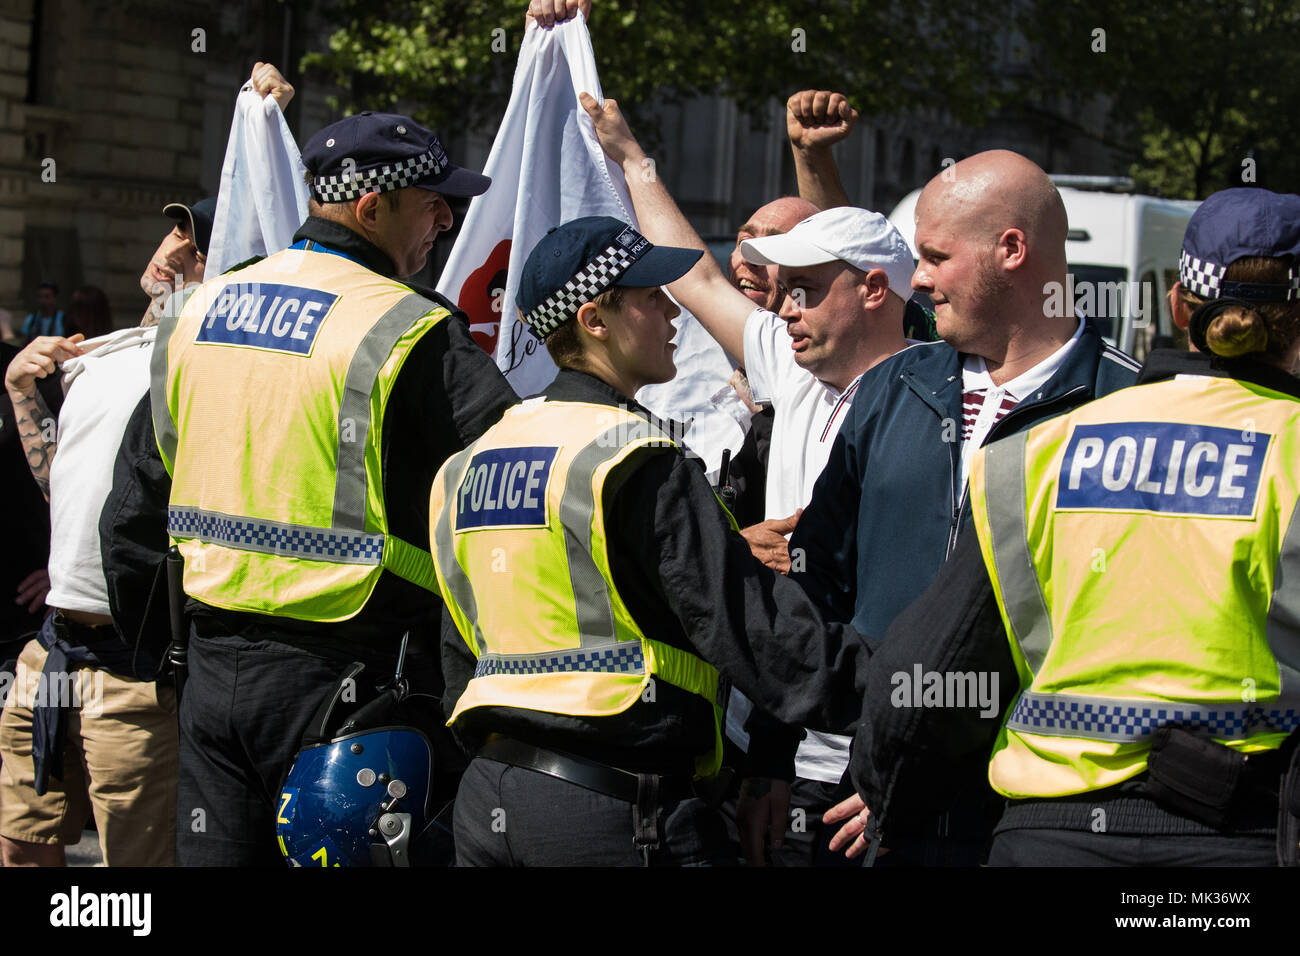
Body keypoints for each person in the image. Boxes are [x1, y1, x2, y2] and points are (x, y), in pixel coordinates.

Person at [831, 186, 1300, 867]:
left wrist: (891, 792)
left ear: (1177, 304)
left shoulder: (1036, 453)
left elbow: (931, 667)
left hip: (1046, 841)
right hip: (1236, 844)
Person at [129, 110, 517, 867]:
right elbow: (514, 489)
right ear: (371, 208)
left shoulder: (200, 309)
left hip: (211, 682)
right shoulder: (409, 327)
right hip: (359, 687)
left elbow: (135, 511)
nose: (446, 218)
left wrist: (165, 667)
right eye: (432, 200)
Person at [433, 216, 869, 866]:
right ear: (595, 320)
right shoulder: (635, 457)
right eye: (649, 298)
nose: (672, 316)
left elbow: (458, 656)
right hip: (614, 811)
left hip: (489, 802)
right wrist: (905, 693)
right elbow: (759, 637)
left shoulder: (470, 462)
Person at [584, 91, 923, 865]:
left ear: (873, 292)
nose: (782, 308)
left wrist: (901, 762)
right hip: (777, 752)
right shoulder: (792, 364)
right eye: (782, 287)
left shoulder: (939, 403)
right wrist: (633, 159)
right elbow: (696, 280)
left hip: (882, 763)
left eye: (805, 289)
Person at [788, 149, 1142, 865]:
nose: (916, 279)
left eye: (935, 256)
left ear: (1012, 250)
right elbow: (817, 581)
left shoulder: (1127, 406)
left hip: (1039, 819)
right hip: (862, 811)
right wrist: (776, 759)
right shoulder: (892, 388)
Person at [0, 196, 212, 867]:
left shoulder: (206, 364)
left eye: (198, 245)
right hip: (50, 654)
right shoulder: (99, 354)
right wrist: (22, 390)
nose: (174, 249)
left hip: (135, 668)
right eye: (177, 229)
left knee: (136, 873)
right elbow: (65, 487)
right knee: (20, 848)